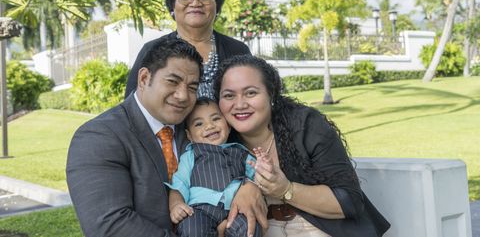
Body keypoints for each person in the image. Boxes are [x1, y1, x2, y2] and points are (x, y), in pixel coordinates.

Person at [66, 39, 266, 237]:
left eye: (192, 87)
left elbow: (232, 159)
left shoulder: (194, 127)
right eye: (172, 81)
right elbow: (109, 226)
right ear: (144, 79)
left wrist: (249, 187)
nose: (182, 96)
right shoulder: (98, 137)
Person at [213, 55, 391, 237]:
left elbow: (349, 201)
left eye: (251, 93)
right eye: (229, 95)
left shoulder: (305, 126)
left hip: (320, 228)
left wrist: (285, 190)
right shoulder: (217, 140)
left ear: (271, 95)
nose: (240, 104)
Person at [125, 0, 250, 99]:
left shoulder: (238, 51)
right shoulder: (153, 50)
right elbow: (132, 106)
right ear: (172, 6)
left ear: (217, 5)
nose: (196, 2)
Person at [167, 98, 261, 237]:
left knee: (249, 229)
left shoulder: (240, 152)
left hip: (237, 209)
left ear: (228, 126)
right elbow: (179, 184)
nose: (209, 126)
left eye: (216, 119)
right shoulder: (191, 154)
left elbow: (258, 176)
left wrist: (262, 167)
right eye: (199, 124)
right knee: (192, 229)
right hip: (200, 210)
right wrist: (175, 205)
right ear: (189, 135)